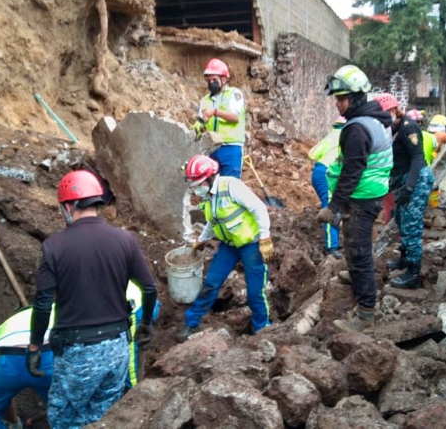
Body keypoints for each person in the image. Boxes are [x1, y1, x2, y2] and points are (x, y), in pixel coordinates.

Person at [26, 169, 157, 429]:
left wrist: (34, 347)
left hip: (78, 351)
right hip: (117, 347)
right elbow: (150, 288)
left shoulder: (54, 246)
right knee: (103, 417)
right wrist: (147, 325)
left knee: (64, 419)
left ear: (68, 205)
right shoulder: (125, 239)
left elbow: (42, 304)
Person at [316, 65, 393, 331]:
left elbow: (351, 171)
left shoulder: (357, 128)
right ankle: (357, 276)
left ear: (357, 97)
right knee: (354, 245)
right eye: (337, 98)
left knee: (359, 252)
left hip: (361, 198)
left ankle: (365, 314)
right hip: (371, 194)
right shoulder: (377, 119)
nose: (338, 104)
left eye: (342, 98)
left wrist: (334, 206)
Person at [177, 155, 273, 341]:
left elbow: (258, 208)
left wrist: (265, 237)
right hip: (229, 246)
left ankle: (261, 330)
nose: (195, 189)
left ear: (210, 177)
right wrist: (202, 240)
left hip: (251, 245)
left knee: (255, 292)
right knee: (211, 283)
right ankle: (191, 322)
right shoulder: (208, 197)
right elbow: (213, 222)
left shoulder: (231, 186)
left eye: (198, 184)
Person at [374, 93, 434, 289]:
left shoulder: (409, 128)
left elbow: (417, 158)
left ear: (392, 111)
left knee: (411, 227)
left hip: (416, 181)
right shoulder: (393, 129)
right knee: (401, 220)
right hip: (404, 181)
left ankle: (413, 274)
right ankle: (404, 260)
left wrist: (409, 187)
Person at [0, 306, 55, 429]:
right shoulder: (63, 306)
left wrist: (15, 422)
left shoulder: (9, 323)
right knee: (69, 405)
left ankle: (15, 425)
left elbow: (1, 392)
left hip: (8, 359)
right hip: (48, 358)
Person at [190, 58, 247, 178]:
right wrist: (200, 126)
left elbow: (234, 117)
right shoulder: (204, 100)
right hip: (211, 148)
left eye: (214, 80)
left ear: (224, 79)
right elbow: (203, 123)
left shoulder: (234, 94)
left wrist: (215, 112)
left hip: (231, 147)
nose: (211, 83)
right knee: (210, 187)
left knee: (228, 185)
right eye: (209, 80)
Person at [307, 116, 347, 259]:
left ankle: (334, 241)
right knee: (331, 207)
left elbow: (312, 154)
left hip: (320, 171)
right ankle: (331, 246)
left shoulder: (330, 137)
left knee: (334, 206)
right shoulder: (345, 137)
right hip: (327, 174)